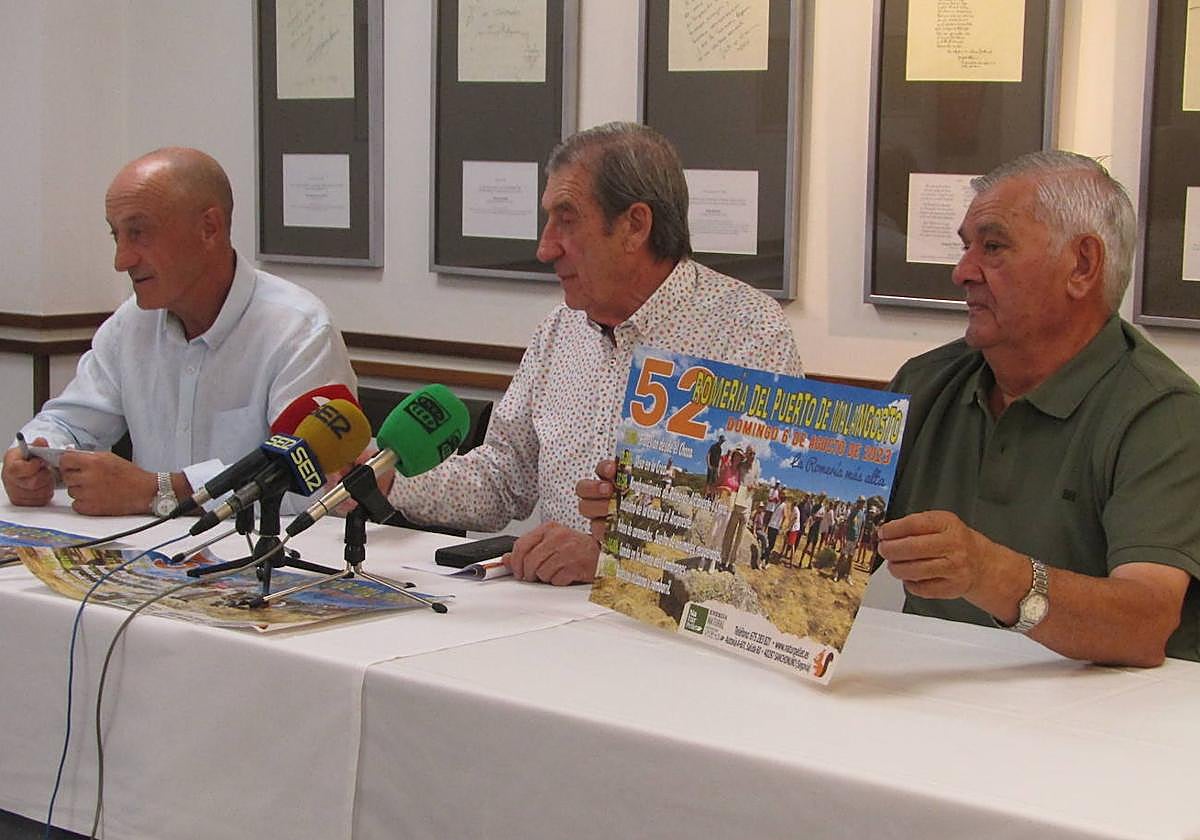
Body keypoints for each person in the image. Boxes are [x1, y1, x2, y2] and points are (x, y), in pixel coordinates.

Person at [384, 122, 803, 585]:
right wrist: (388, 477)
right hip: (549, 621)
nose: (545, 248)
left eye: (567, 219)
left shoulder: (746, 333)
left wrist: (618, 561)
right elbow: (504, 479)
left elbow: (764, 533)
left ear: (634, 226)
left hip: (679, 635)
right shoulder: (559, 331)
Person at [875, 150, 1200, 666]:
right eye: (965, 248)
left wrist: (990, 573)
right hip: (932, 696)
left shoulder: (1163, 414)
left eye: (993, 246)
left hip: (1102, 723)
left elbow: (1145, 622)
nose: (962, 272)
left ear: (1082, 265)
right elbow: (836, 527)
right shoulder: (925, 382)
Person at [1, 147, 355, 516]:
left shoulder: (299, 329)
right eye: (116, 235)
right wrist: (30, 458)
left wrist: (161, 490)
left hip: (261, 558)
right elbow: (67, 423)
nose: (121, 260)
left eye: (138, 233)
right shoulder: (131, 324)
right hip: (145, 551)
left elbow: (317, 480)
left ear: (209, 229)